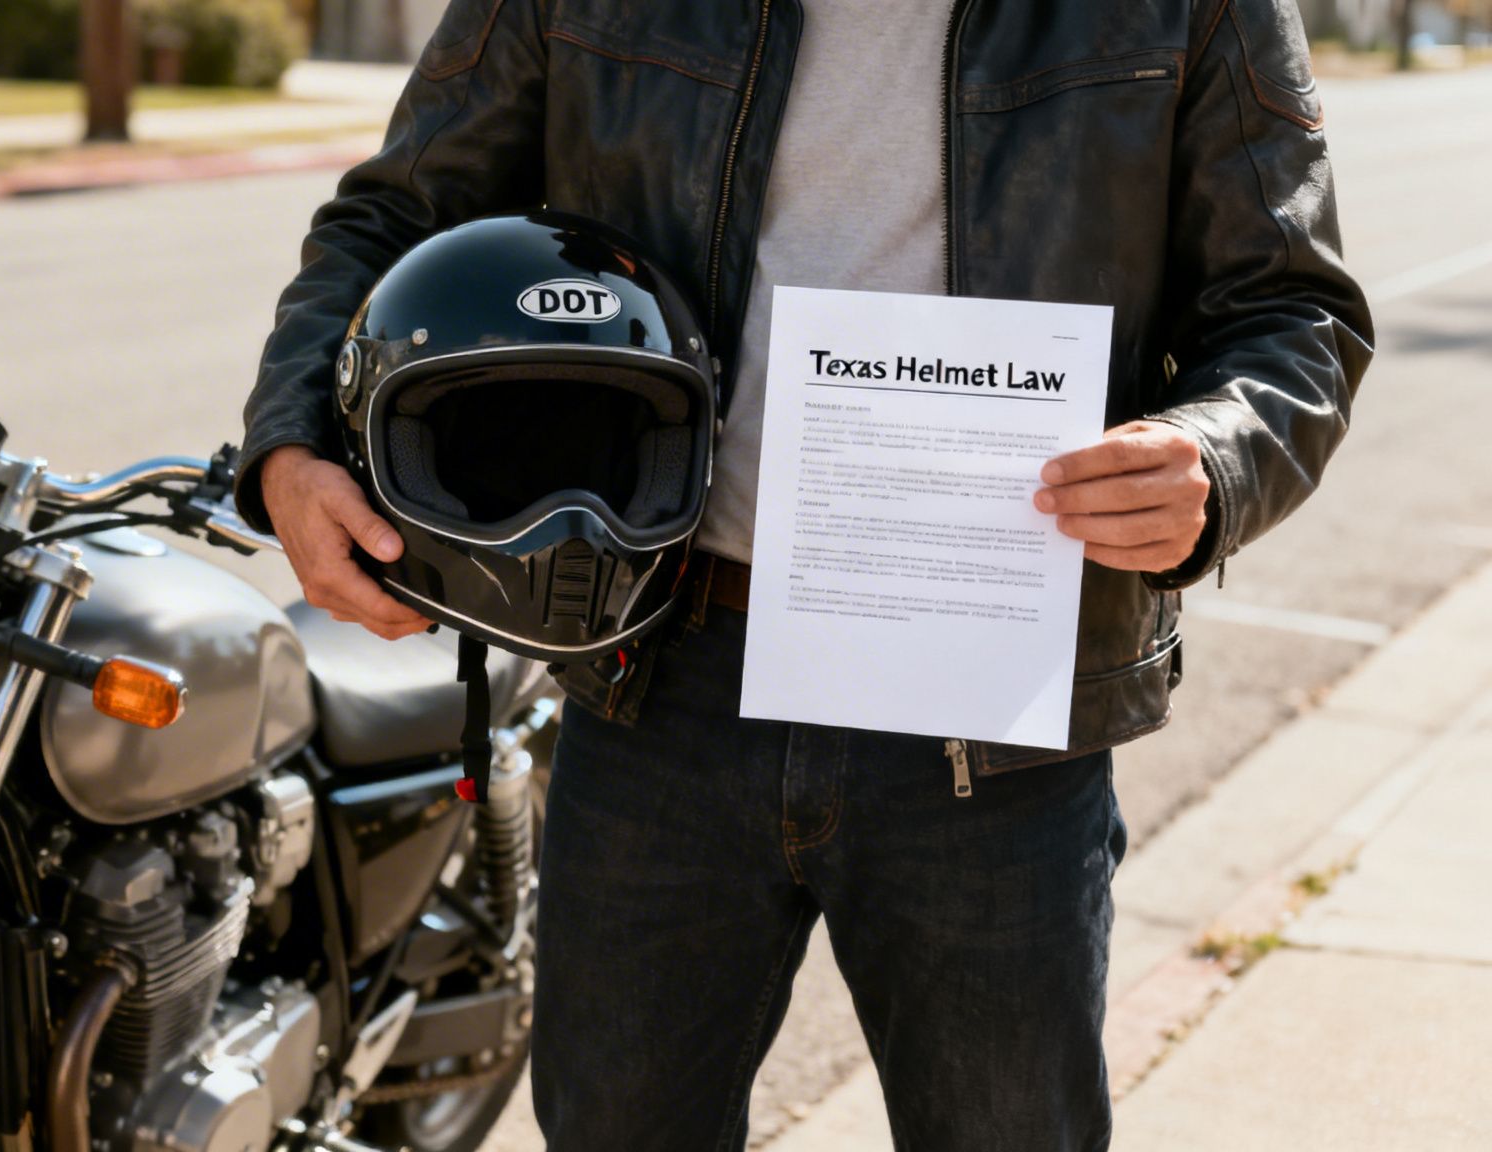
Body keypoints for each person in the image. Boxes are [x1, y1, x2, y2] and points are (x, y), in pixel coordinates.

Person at [235, 1, 1374, 1148]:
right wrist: (291, 441)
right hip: (660, 674)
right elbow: (399, 210)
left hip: (988, 701)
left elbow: (1291, 311)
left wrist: (1216, 462)